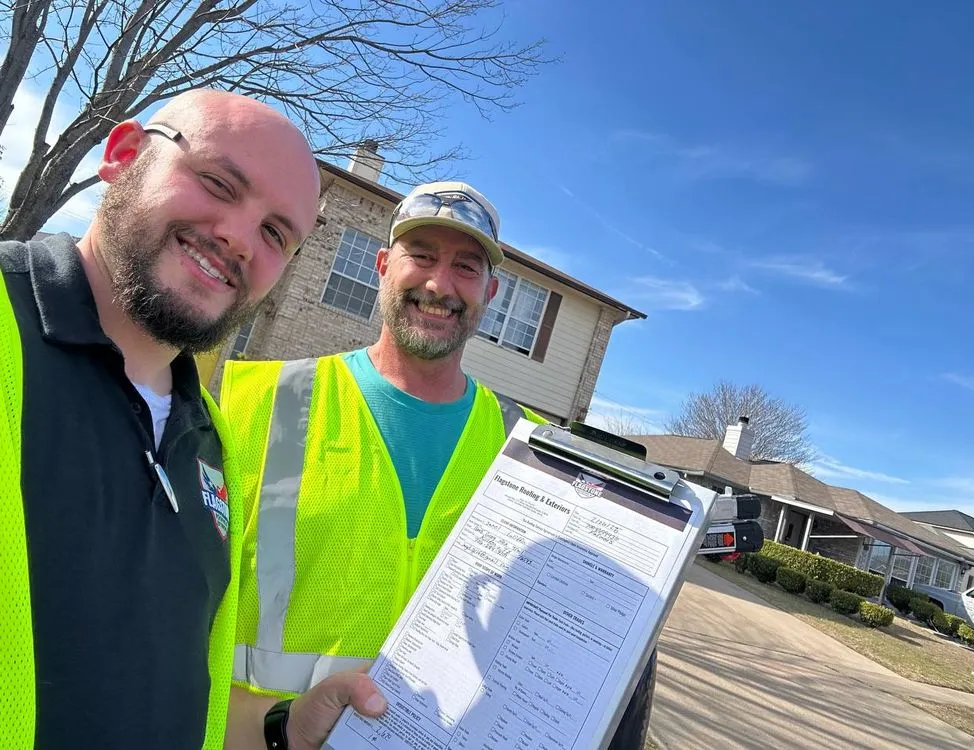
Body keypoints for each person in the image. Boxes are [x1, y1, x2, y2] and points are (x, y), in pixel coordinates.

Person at [0, 89, 384, 750]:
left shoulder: (209, 439)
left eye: (274, 233)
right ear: (121, 157)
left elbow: (168, 693)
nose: (238, 238)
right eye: (216, 182)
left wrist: (286, 728)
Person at [222, 181, 657, 748]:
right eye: (421, 255)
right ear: (382, 265)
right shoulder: (248, 400)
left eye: (466, 268)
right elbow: (157, 633)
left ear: (491, 292)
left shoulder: (529, 451)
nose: (438, 284)